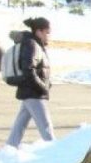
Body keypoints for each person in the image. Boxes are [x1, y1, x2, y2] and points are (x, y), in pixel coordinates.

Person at [6, 17, 55, 148]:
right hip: (33, 93)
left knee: (19, 126)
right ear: (39, 31)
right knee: (47, 130)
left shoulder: (35, 44)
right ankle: (56, 155)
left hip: (30, 91)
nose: (49, 35)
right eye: (47, 32)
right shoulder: (32, 44)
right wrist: (43, 87)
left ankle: (9, 149)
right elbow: (29, 70)